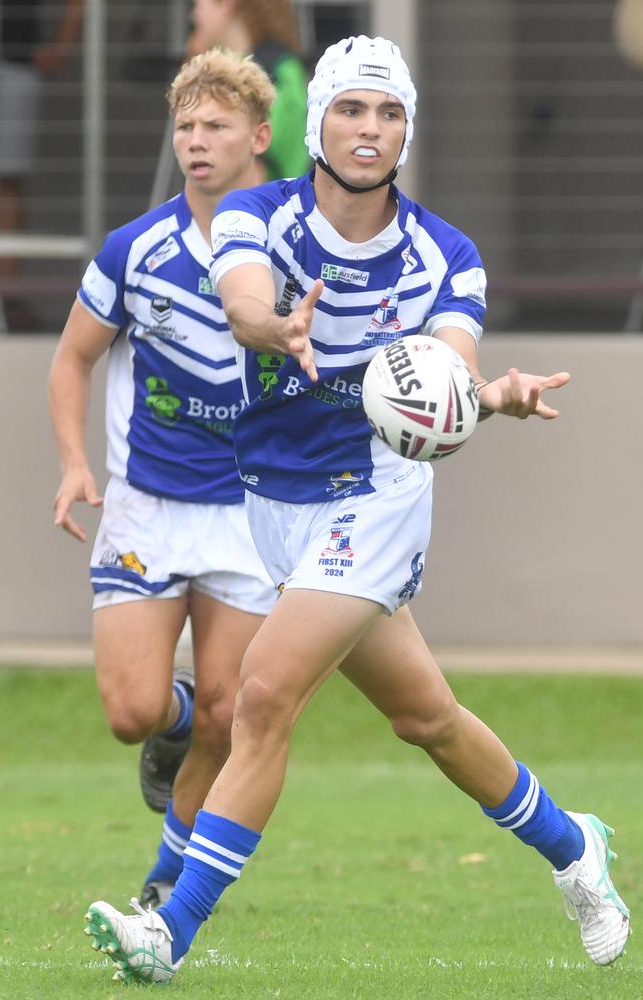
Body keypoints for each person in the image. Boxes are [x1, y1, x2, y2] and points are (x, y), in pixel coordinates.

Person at [83, 35, 630, 984]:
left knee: (261, 696)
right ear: (318, 121)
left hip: (375, 499)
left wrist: (484, 396)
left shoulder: (445, 254)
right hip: (271, 503)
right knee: (429, 720)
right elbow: (247, 300)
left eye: (389, 112)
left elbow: (449, 365)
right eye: (351, 108)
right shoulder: (256, 215)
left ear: (406, 129)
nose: (370, 128)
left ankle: (168, 928)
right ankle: (573, 846)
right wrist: (274, 326)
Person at [49, 49, 278, 909]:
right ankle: (169, 721)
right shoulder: (135, 248)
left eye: (215, 125)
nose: (196, 140)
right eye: (185, 125)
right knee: (132, 711)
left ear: (258, 136)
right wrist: (76, 463)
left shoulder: (290, 246)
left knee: (233, 711)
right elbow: (71, 361)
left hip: (251, 514)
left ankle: (165, 883)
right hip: (146, 508)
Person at [0, 0, 83, 329]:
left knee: (10, 180)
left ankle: (6, 295)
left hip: (16, 65)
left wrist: (59, 48)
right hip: (15, 66)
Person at [187, 0, 310, 181]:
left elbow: (264, 161)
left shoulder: (280, 72)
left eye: (198, 5)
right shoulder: (217, 71)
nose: (194, 16)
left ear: (226, 5)